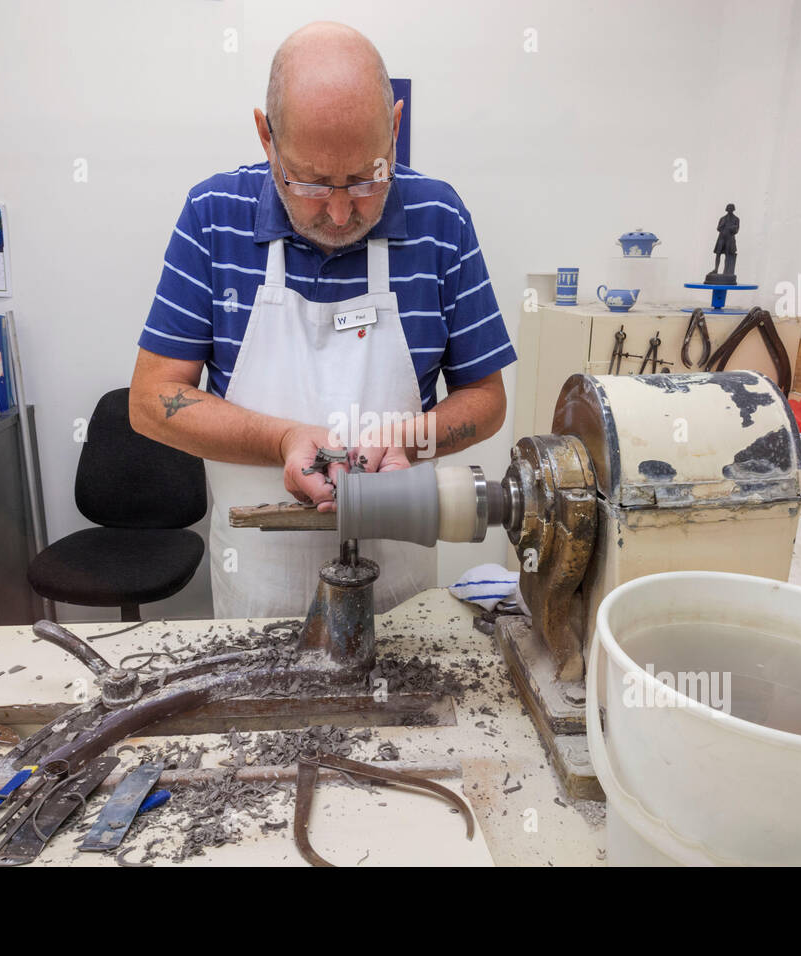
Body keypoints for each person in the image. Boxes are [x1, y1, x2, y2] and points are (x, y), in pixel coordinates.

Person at [129, 22, 515, 619]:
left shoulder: (441, 218)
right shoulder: (212, 219)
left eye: (365, 178)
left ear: (395, 126)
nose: (340, 212)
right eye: (309, 182)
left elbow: (487, 400)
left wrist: (409, 440)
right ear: (266, 137)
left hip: (402, 606)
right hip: (258, 599)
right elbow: (152, 400)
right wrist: (283, 439)